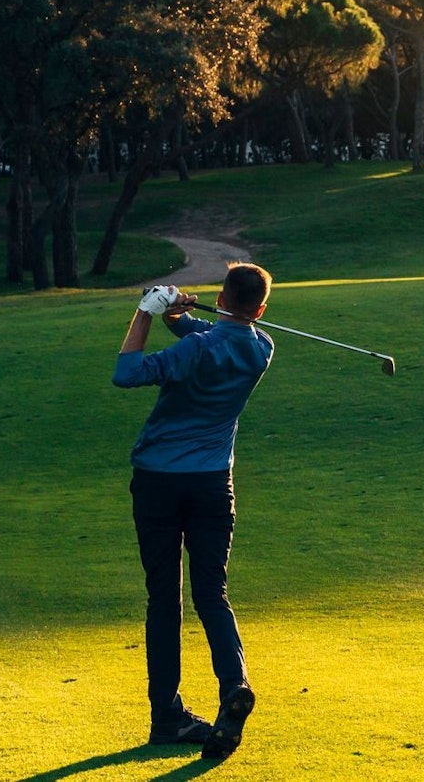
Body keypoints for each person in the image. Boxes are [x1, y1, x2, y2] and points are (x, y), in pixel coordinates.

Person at [112, 263, 275, 761]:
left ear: (222, 297)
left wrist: (146, 312)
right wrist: (177, 314)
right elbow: (214, 332)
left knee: (164, 599)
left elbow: (127, 373)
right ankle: (234, 685)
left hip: (159, 482)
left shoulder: (196, 350)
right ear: (261, 309)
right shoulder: (261, 347)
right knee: (211, 593)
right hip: (212, 484)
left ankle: (167, 718)